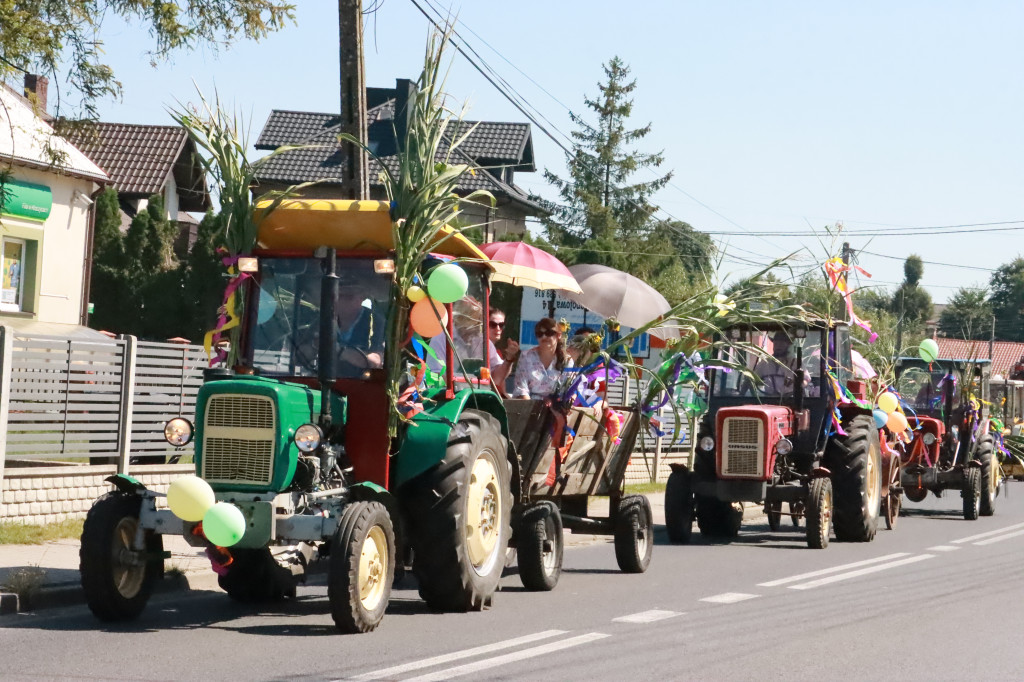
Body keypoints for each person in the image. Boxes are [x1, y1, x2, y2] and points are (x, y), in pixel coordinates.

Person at [512, 317, 573, 399]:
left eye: (549, 333)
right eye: (539, 334)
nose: (544, 337)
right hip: (530, 405)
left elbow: (569, 391)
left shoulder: (567, 361)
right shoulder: (526, 356)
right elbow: (521, 389)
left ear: (558, 335)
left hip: (557, 407)